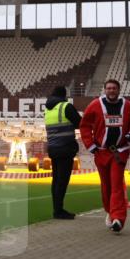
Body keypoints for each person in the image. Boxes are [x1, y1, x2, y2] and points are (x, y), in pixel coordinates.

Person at [79, 79, 130, 233]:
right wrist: (90, 145)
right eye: (109, 88)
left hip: (120, 152)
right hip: (101, 152)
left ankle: (118, 218)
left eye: (114, 88)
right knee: (106, 186)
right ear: (104, 90)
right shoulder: (94, 105)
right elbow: (84, 126)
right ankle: (109, 211)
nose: (112, 91)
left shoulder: (127, 106)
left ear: (119, 90)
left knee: (117, 184)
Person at [43, 85, 82, 220]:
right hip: (65, 148)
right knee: (63, 181)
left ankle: (57, 209)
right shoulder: (66, 106)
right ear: (64, 95)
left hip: (53, 149)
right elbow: (79, 123)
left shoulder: (48, 109)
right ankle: (58, 211)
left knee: (56, 180)